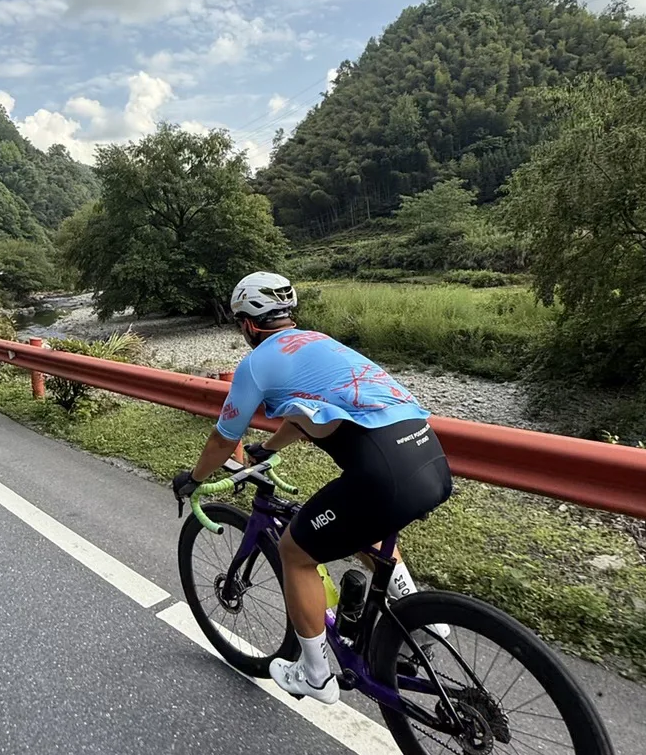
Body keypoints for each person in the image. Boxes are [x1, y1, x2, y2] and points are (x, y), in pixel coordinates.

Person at [172, 271, 452, 704]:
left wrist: (194, 479)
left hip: (384, 474)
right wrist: (266, 447)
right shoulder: (320, 341)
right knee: (366, 528)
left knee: (293, 551)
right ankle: (424, 619)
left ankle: (316, 675)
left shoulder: (257, 363)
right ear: (288, 313)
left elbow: (223, 438)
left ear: (247, 324)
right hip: (428, 455)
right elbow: (305, 418)